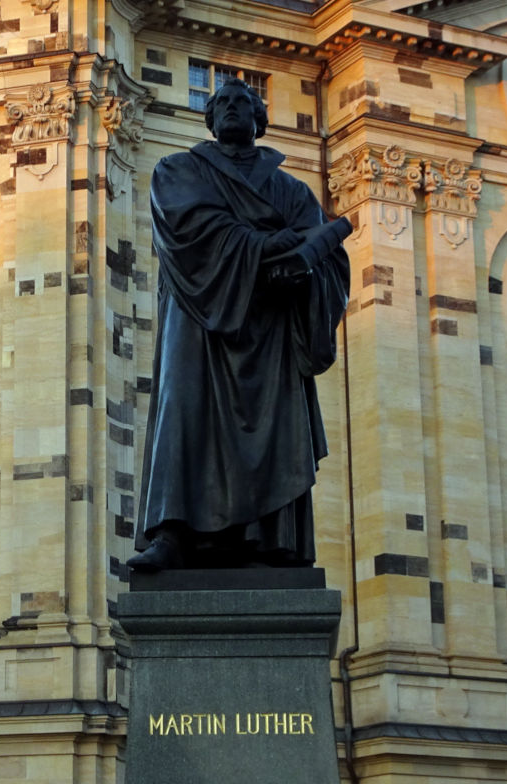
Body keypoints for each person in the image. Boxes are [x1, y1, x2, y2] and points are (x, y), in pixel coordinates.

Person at [127, 78, 351, 572]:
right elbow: (190, 230)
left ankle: (267, 539)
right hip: (197, 318)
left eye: (242, 103)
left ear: (259, 120)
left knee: (271, 426)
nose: (231, 109)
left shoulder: (290, 189)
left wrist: (306, 264)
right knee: (182, 412)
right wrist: (272, 246)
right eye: (221, 102)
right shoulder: (178, 169)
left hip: (268, 326)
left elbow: (327, 256)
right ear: (209, 119)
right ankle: (172, 533)